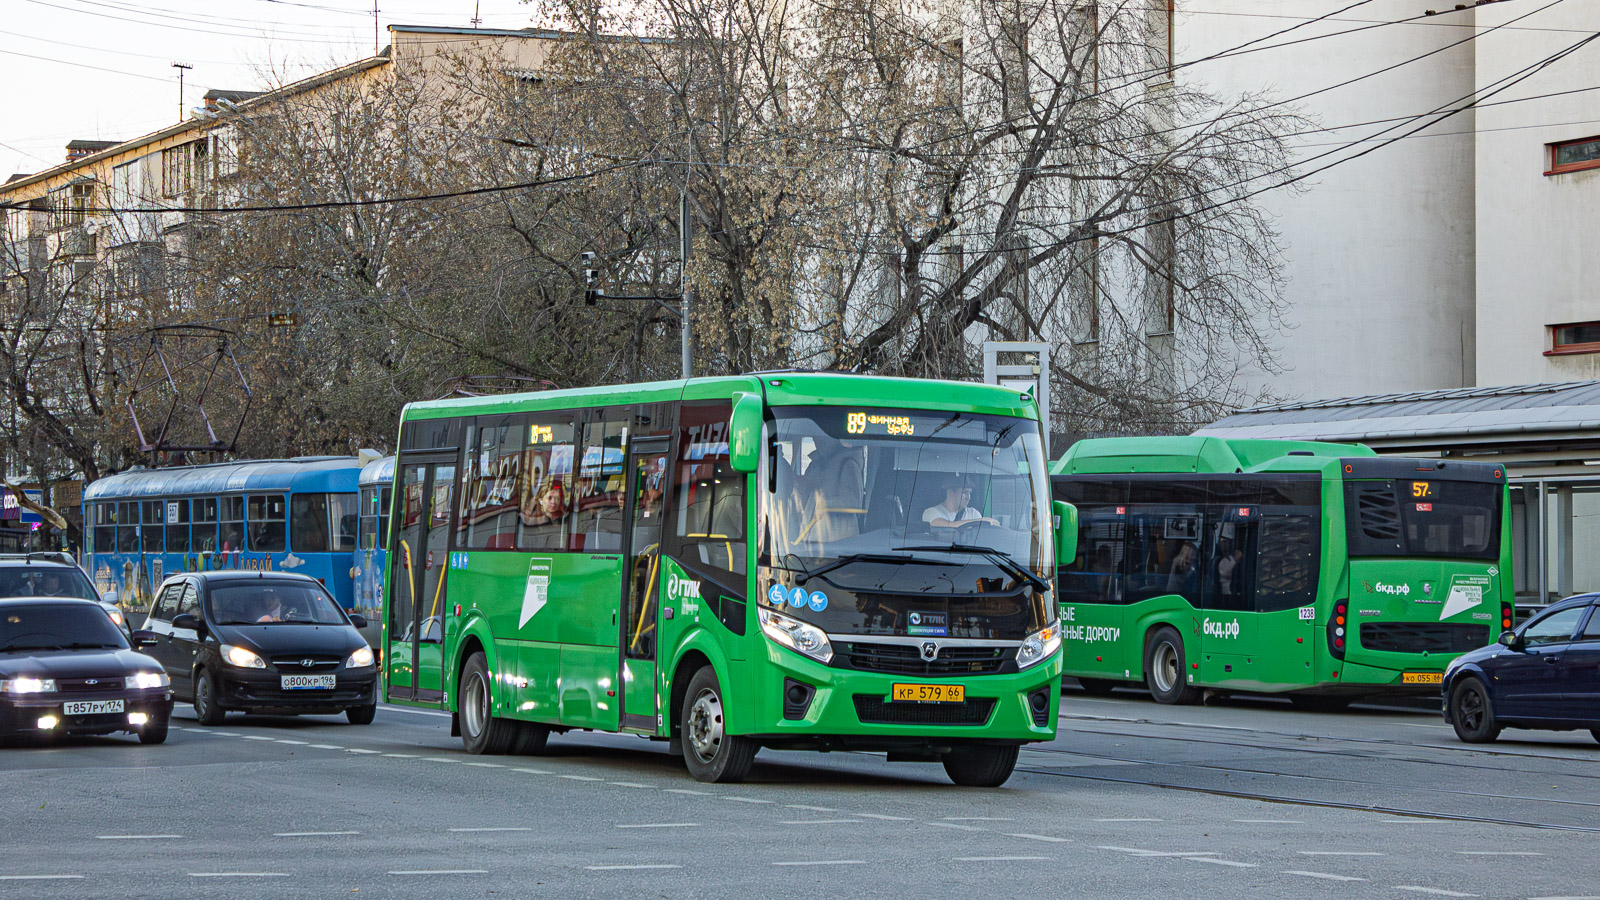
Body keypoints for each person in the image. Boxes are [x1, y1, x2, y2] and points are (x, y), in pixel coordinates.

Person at [923, 477, 999, 529]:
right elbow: (946, 526)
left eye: (969, 493)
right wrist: (979, 521)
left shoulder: (973, 514)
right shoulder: (931, 513)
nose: (968, 497)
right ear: (950, 492)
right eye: (965, 492)